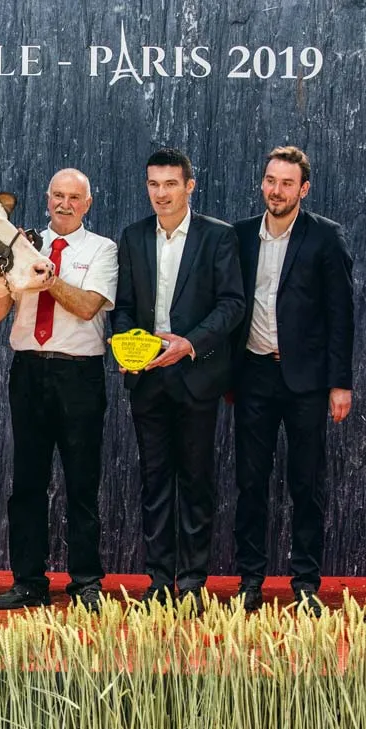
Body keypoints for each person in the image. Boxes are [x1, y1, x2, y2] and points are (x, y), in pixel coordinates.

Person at [111, 148, 244, 611]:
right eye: (153, 184)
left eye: (170, 184)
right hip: (147, 380)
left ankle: (191, 582)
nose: (161, 193)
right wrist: (127, 347)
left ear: (190, 185)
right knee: (153, 483)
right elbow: (123, 306)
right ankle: (158, 580)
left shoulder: (218, 237)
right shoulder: (131, 237)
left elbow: (231, 305)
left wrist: (189, 343)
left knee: (196, 481)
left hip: (196, 377)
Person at [0, 168, 118, 612]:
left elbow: (86, 307)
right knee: (26, 483)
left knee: (82, 483)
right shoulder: (20, 246)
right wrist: (10, 268)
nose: (64, 204)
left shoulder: (103, 249)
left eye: (74, 197)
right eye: (57, 196)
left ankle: (85, 581)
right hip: (28, 372)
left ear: (88, 203)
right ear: (46, 199)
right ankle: (28, 581)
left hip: (79, 375)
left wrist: (46, 277)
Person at [231, 146, 354, 616]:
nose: (275, 190)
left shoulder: (326, 238)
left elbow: (341, 316)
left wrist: (340, 383)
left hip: (306, 380)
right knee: (250, 483)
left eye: (286, 183)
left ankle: (305, 584)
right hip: (254, 373)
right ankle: (250, 581)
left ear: (303, 189)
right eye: (269, 180)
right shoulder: (240, 236)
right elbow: (230, 307)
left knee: (306, 484)